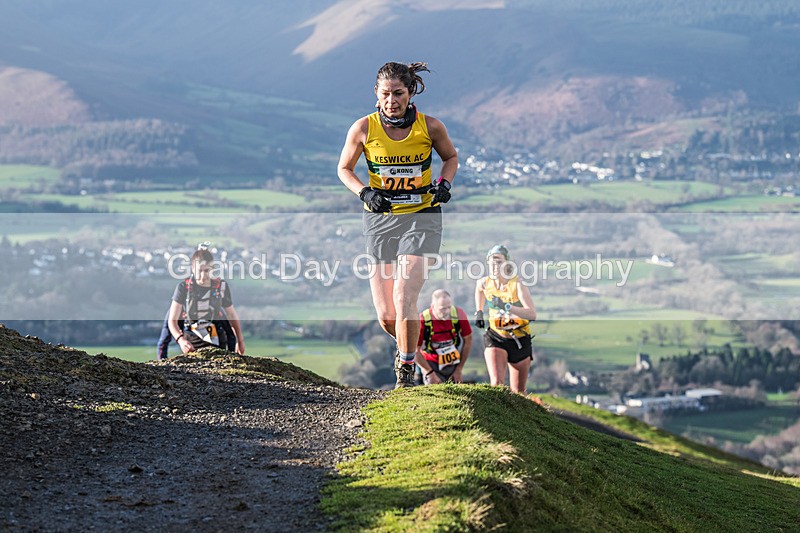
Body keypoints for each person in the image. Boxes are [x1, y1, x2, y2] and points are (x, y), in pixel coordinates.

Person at [337, 61, 458, 388]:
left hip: (422, 216)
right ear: (376, 94)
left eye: (399, 93)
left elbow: (451, 158)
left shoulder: (430, 127)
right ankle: (418, 356)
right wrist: (364, 192)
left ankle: (405, 373)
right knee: (388, 315)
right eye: (386, 94)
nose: (392, 100)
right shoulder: (363, 128)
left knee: (406, 293)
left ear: (410, 93)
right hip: (381, 221)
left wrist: (444, 184)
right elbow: (344, 169)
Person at [474, 245, 537, 395]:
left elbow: (532, 314)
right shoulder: (484, 282)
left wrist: (506, 306)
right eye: (491, 262)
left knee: (518, 392)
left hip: (519, 339)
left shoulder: (517, 284)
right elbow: (479, 290)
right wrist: (479, 311)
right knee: (496, 384)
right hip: (496, 336)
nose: (495, 266)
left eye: (499, 262)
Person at [167, 248, 245, 355]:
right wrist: (180, 340)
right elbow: (172, 320)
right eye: (200, 270)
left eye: (207, 271)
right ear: (193, 269)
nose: (203, 276)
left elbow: (231, 315)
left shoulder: (221, 287)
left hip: (217, 335)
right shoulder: (183, 288)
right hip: (192, 337)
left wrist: (240, 341)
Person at [415, 289, 473, 384]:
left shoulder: (459, 314)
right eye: (442, 309)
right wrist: (430, 373)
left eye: (449, 307)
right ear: (433, 306)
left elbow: (468, 340)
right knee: (434, 392)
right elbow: (415, 350)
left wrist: (459, 368)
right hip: (430, 362)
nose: (447, 312)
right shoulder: (423, 320)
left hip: (453, 361)